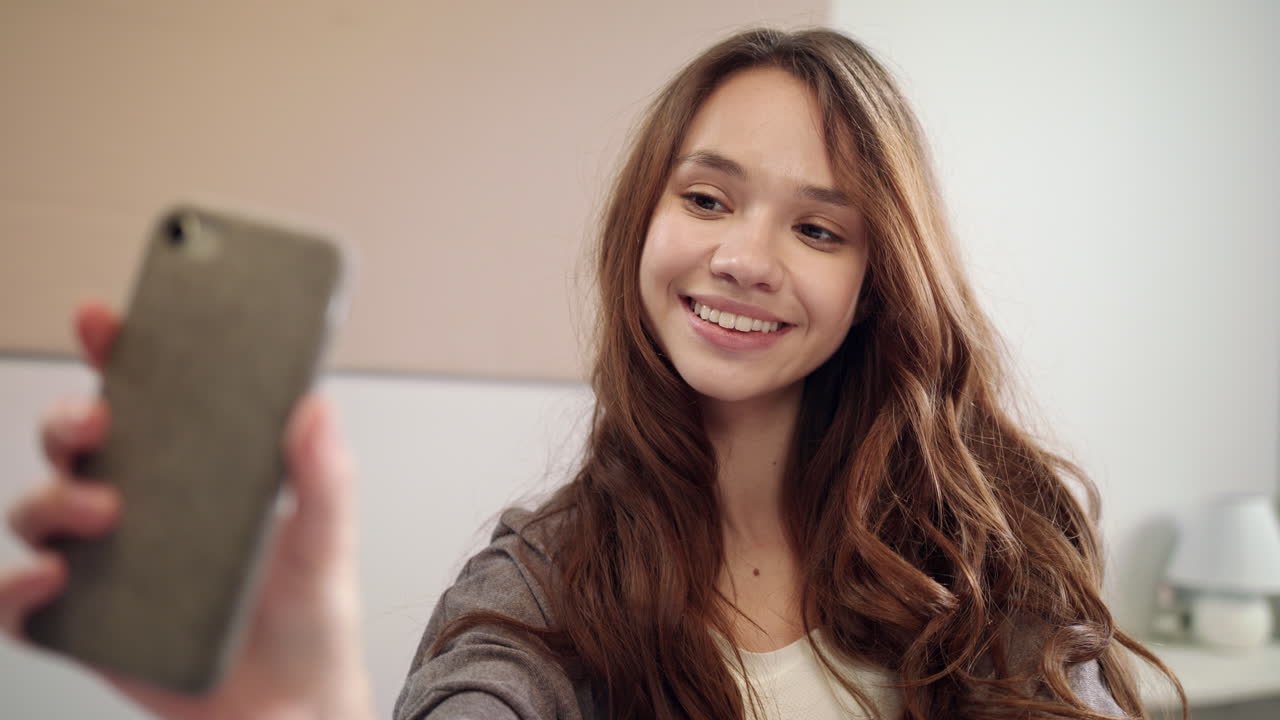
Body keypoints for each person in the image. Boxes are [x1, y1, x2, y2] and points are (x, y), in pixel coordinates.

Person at [1, 27, 1182, 720]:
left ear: (880, 282)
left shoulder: (993, 544)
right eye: (706, 198)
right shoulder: (534, 590)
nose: (742, 257)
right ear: (643, 226)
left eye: (818, 230)